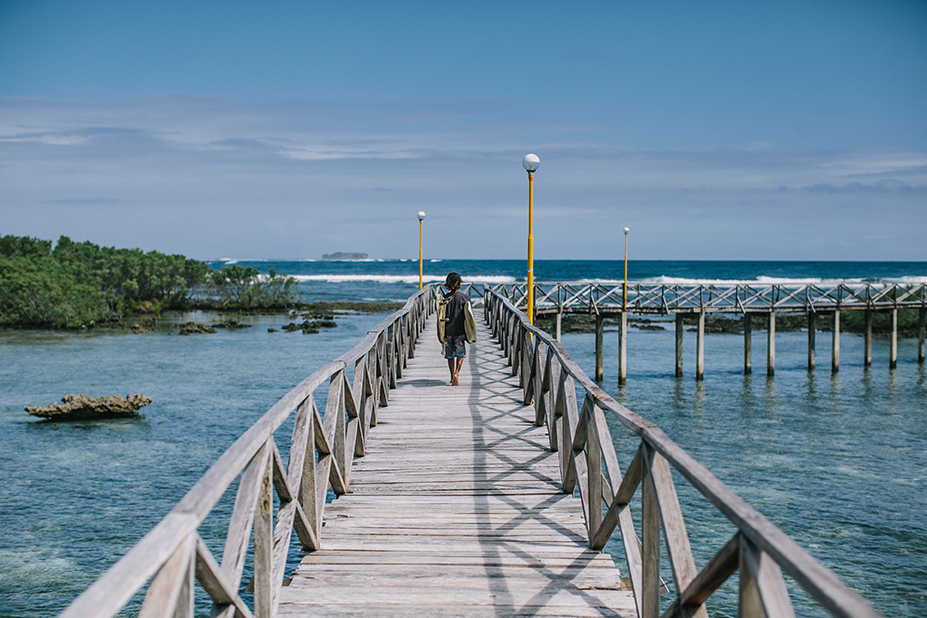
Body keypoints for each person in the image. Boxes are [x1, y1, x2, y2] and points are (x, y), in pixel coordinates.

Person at [439, 272, 470, 386]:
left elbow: (440, 317)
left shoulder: (444, 299)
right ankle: (457, 373)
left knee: (450, 355)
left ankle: (452, 375)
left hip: (447, 332)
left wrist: (439, 334)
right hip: (460, 331)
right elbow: (470, 317)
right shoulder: (464, 298)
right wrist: (473, 334)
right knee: (460, 354)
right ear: (459, 284)